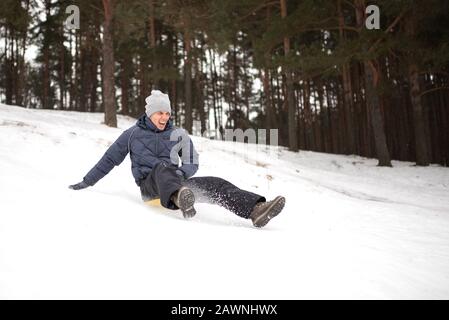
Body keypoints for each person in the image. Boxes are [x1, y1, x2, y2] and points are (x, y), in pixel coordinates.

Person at [69, 90, 285, 228]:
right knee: (162, 167)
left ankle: (256, 210)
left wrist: (181, 173)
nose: (164, 117)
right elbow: (109, 160)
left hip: (178, 184)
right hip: (150, 189)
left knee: (217, 183)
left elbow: (192, 162)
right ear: (149, 114)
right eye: (159, 113)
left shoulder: (179, 134)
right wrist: (86, 182)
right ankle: (178, 197)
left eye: (167, 113)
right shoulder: (132, 135)